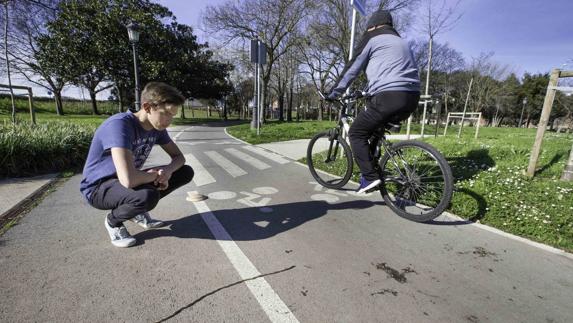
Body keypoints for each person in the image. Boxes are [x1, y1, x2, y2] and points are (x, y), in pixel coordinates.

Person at [80, 82, 195, 248]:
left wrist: (167, 171)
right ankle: (114, 221)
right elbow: (128, 180)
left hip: (125, 181)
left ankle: (136, 210)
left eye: (173, 116)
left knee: (185, 172)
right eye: (166, 114)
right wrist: (156, 175)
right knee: (147, 196)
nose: (169, 121)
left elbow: (179, 158)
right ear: (147, 107)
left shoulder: (157, 128)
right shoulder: (120, 125)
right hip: (97, 188)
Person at [326, 9, 420, 194]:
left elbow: (352, 69)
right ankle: (375, 169)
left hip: (389, 96)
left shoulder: (373, 37)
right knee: (374, 132)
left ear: (375, 25)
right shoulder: (402, 42)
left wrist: (333, 93)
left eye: (369, 27)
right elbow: (394, 71)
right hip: (412, 97)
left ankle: (369, 177)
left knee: (356, 133)